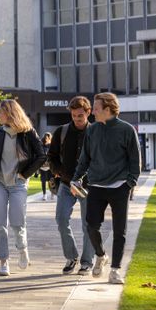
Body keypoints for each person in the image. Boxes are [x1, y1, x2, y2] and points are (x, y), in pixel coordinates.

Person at [71, 93, 141, 285]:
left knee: (120, 230)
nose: (92, 111)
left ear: (108, 109)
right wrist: (76, 179)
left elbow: (135, 160)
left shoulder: (126, 130)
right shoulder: (92, 131)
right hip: (96, 186)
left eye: (96, 108)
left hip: (120, 187)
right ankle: (101, 255)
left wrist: (130, 183)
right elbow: (85, 158)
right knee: (91, 225)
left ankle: (115, 270)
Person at [0, 99, 46, 276]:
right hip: (0, 183)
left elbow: (41, 156)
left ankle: (22, 249)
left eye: (0, 112)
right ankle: (4, 261)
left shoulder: (28, 132)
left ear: (10, 113)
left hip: (18, 184)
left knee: (17, 222)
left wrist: (24, 174)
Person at [47, 96, 94, 276]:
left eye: (80, 115)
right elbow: (51, 156)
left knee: (88, 225)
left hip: (88, 187)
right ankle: (71, 257)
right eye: (74, 115)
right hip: (66, 184)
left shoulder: (96, 132)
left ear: (88, 112)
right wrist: (57, 170)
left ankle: (87, 262)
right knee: (61, 219)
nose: (76, 119)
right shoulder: (62, 131)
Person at [39, 133, 53, 201]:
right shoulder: (41, 146)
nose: (46, 139)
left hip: (50, 167)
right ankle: (44, 194)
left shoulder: (52, 146)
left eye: (47, 138)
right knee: (43, 181)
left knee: (51, 181)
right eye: (45, 138)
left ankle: (52, 192)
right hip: (42, 167)